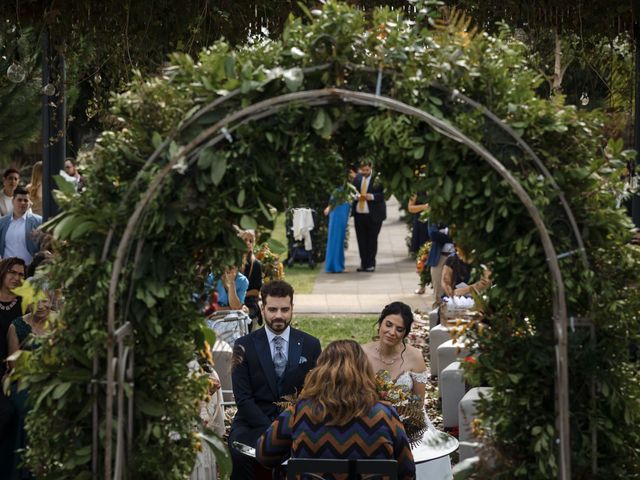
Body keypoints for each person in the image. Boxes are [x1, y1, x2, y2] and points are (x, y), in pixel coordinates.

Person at [256, 340, 416, 479]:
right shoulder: (385, 415)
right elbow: (407, 472)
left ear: (321, 371)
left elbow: (264, 455)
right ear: (363, 371)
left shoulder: (299, 412)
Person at [228, 280, 321, 480]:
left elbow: (315, 393)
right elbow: (243, 399)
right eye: (272, 309)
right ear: (262, 308)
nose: (278, 315)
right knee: (239, 454)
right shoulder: (243, 345)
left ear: (292, 308)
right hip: (251, 422)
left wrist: (291, 426)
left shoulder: (311, 345)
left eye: (284, 309)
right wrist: (272, 430)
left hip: (297, 424)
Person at [6, 288, 54, 479]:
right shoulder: (16, 326)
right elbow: (13, 366)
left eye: (45, 301)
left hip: (51, 382)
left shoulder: (58, 326)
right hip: (24, 382)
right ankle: (24, 470)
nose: (41, 306)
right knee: (28, 407)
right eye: (36, 301)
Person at [362, 301, 428, 401]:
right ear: (380, 324)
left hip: (407, 415)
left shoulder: (415, 357)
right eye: (388, 325)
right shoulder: (361, 353)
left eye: (399, 329)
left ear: (405, 333)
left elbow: (419, 403)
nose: (392, 332)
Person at [0, 257, 26, 473]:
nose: (16, 278)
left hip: (11, 370)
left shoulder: (23, 303)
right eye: (12, 272)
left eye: (21, 274)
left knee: (11, 410)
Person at [351, 159, 386, 272]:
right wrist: (355, 196)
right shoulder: (357, 178)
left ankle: (371, 264)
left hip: (374, 215)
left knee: (372, 240)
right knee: (361, 240)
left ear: (371, 168)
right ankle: (363, 263)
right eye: (363, 170)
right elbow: (352, 192)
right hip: (359, 214)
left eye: (367, 170)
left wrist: (372, 196)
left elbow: (384, 194)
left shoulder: (378, 180)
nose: (365, 172)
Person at [323, 169, 356, 273]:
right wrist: (330, 207)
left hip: (341, 212)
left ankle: (335, 265)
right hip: (338, 212)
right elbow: (335, 200)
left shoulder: (346, 186)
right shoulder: (343, 187)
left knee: (337, 238)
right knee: (336, 238)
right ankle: (336, 266)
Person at [0, 186, 43, 265]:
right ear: (13, 201)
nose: (22, 203)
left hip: (29, 269)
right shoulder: (2, 222)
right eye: (19, 200)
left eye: (25, 200)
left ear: (29, 202)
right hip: (7, 270)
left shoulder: (39, 221)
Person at [425, 222, 454, 307]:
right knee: (438, 291)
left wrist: (443, 234)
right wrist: (452, 237)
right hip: (440, 257)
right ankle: (438, 317)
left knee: (456, 289)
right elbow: (433, 234)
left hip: (457, 257)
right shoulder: (435, 217)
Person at [240, 230, 263, 327]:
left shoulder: (256, 265)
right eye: (245, 240)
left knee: (246, 316)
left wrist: (240, 296)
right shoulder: (231, 262)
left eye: (251, 241)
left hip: (248, 301)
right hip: (230, 301)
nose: (248, 243)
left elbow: (255, 292)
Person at [408, 193, 430, 294]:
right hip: (421, 225)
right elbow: (410, 207)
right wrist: (424, 207)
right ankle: (422, 284)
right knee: (421, 255)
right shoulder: (417, 190)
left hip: (434, 223)